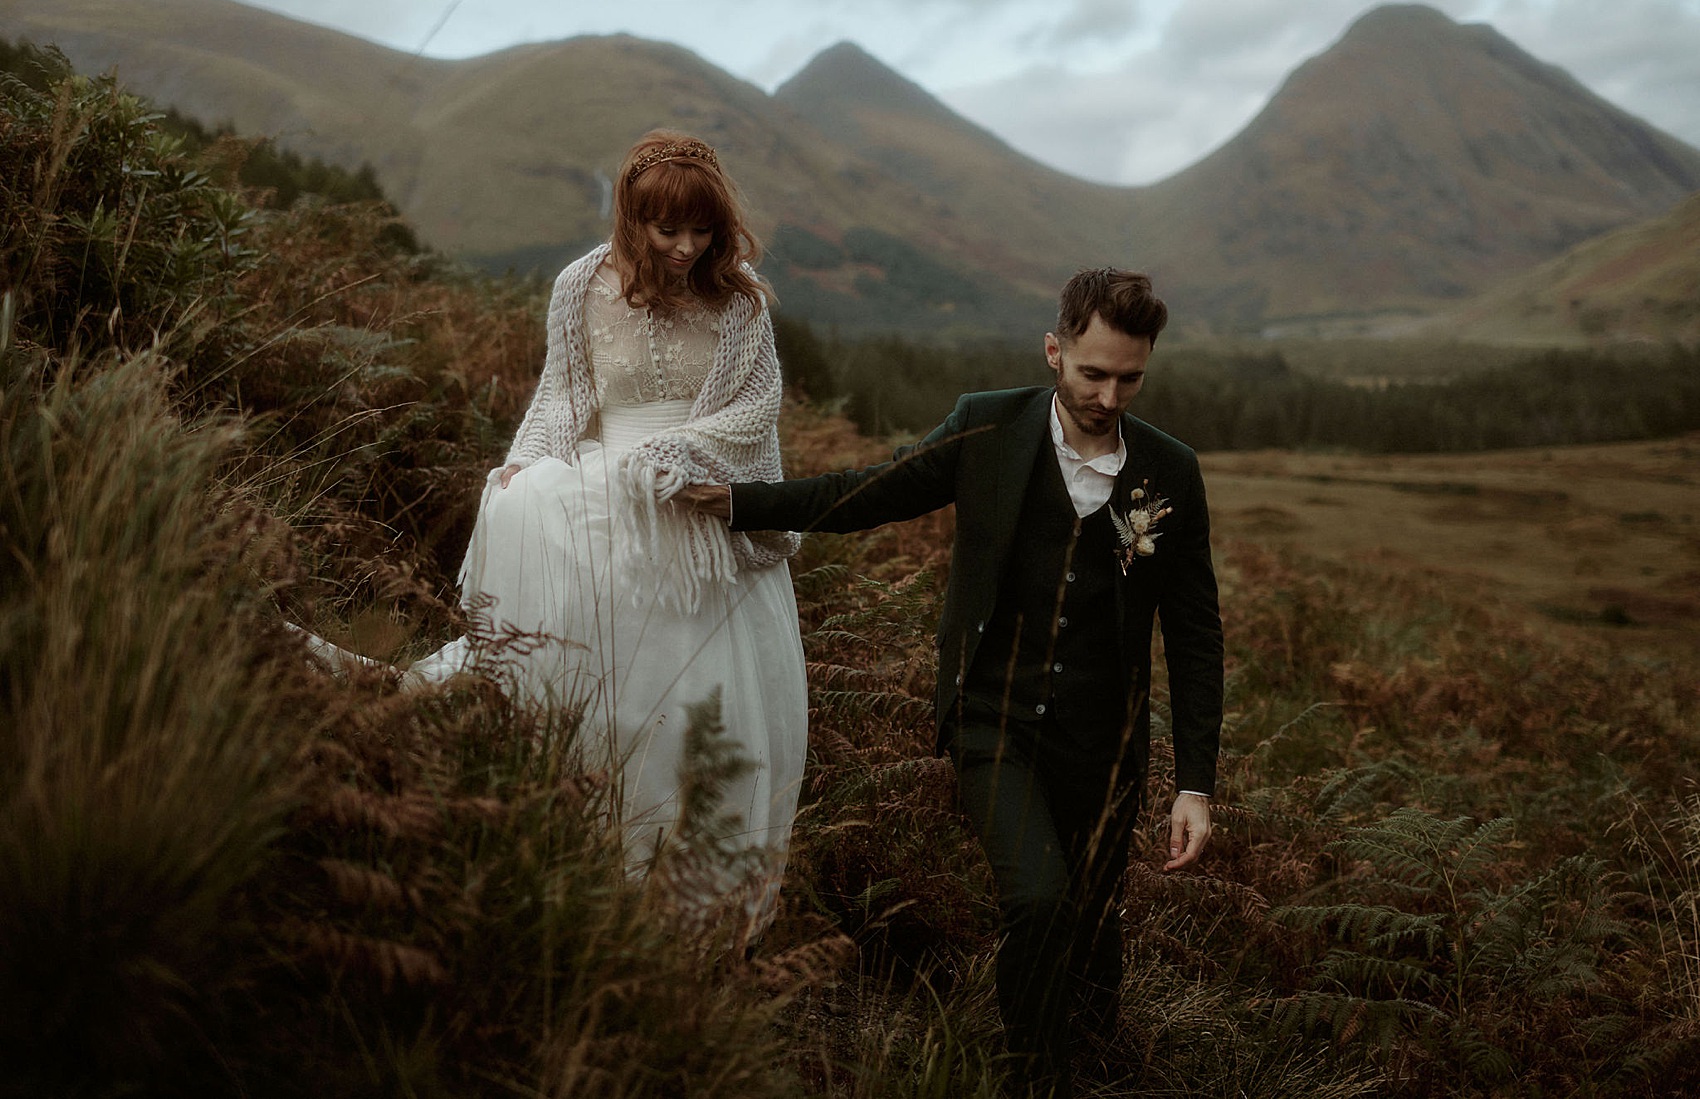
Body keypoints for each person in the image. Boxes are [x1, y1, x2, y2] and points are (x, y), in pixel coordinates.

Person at [681, 268, 1223, 1096]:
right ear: (1054, 350)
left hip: (1105, 744)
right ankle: (1029, 1080)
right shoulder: (986, 427)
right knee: (1038, 900)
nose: (1110, 395)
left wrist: (1194, 783)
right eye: (1093, 372)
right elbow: (869, 491)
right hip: (991, 720)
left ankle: (1094, 1053)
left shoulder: (1171, 472)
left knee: (1087, 928)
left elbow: (1193, 637)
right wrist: (740, 502)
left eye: (1130, 377)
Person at [308, 130, 808, 932]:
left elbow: (752, 412)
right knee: (603, 692)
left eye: (701, 230)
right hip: (606, 512)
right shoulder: (581, 285)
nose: (685, 248)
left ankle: (689, 900)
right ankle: (590, 864)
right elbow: (562, 397)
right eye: (665, 230)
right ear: (631, 219)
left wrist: (681, 453)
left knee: (694, 710)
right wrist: (525, 465)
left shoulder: (741, 301)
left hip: (698, 504)